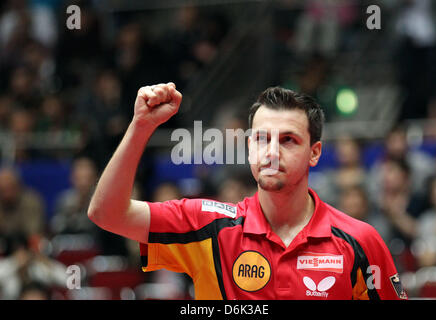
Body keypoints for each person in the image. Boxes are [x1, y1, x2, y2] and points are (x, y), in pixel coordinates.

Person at [88, 83, 407, 300]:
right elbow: (106, 213)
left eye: (288, 140)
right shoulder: (207, 226)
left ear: (315, 152)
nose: (271, 152)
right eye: (261, 139)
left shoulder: (360, 241)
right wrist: (141, 127)